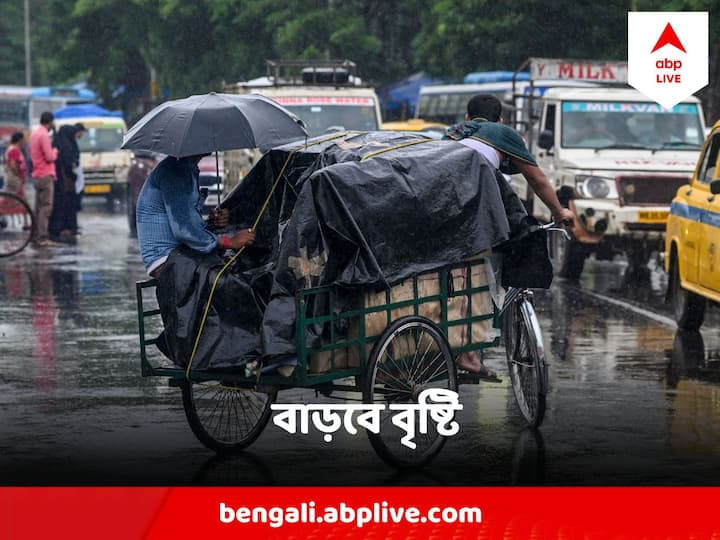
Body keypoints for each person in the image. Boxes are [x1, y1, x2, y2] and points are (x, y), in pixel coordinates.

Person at [445, 94, 575, 378]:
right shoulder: (501, 133)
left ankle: (446, 343)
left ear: (468, 117)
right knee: (476, 275)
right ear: (501, 119)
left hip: (443, 210)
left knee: (453, 276)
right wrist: (559, 213)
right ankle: (467, 355)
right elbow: (537, 179)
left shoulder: (454, 133)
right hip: (470, 215)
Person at [136, 154, 256, 278]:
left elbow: (186, 219)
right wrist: (229, 242)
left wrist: (210, 223)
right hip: (167, 259)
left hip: (179, 255)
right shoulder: (177, 170)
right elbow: (184, 231)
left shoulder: (186, 166)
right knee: (232, 282)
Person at [49, 123, 85, 244]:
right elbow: (68, 163)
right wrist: (73, 173)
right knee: (66, 205)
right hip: (66, 182)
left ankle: (63, 228)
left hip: (61, 181)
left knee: (63, 205)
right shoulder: (66, 147)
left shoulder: (59, 144)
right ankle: (64, 228)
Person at [29, 111, 60, 247]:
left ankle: (35, 235)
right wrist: (55, 152)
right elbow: (49, 157)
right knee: (46, 207)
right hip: (45, 174)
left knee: (38, 207)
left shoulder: (34, 134)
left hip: (36, 174)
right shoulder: (44, 135)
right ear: (50, 122)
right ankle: (42, 237)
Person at [3, 132, 27, 196]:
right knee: (15, 199)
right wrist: (19, 176)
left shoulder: (12, 148)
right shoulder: (14, 150)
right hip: (14, 179)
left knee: (11, 199)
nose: (24, 142)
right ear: (20, 140)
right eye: (24, 139)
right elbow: (13, 165)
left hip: (13, 179)